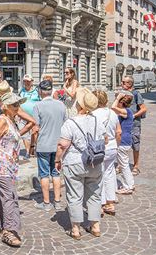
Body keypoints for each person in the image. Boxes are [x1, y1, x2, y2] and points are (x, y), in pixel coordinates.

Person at [0, 91, 34, 248]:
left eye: (18, 104)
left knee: (3, 196)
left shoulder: (11, 121)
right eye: (14, 105)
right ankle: (10, 230)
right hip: (1, 166)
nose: (17, 107)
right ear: (5, 107)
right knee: (10, 197)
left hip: (9, 166)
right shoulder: (2, 121)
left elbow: (31, 122)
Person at [0, 81, 36, 217]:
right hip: (6, 150)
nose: (17, 106)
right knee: (5, 180)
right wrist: (17, 134)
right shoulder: (15, 108)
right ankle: (3, 212)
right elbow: (32, 121)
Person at [55, 87, 105, 239]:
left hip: (75, 161)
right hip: (95, 162)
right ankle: (95, 226)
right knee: (95, 195)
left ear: (80, 106)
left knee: (75, 195)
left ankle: (76, 229)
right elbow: (105, 139)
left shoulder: (71, 123)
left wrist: (58, 159)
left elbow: (63, 145)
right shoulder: (98, 121)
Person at [32, 80, 66, 212]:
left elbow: (35, 128)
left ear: (40, 91)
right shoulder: (61, 105)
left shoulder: (38, 106)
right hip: (57, 145)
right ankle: (57, 201)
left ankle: (46, 203)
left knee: (44, 174)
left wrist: (33, 145)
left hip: (44, 145)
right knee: (56, 173)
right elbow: (65, 125)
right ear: (51, 91)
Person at [92, 90, 121, 216]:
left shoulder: (93, 114)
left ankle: (100, 204)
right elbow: (118, 131)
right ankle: (111, 203)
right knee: (109, 174)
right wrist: (116, 145)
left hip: (99, 147)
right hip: (112, 146)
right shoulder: (112, 113)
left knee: (98, 176)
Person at [120, 75, 147, 175]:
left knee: (135, 145)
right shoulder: (121, 94)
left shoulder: (136, 94)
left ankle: (136, 166)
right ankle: (122, 165)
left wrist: (132, 116)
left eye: (124, 82)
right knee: (122, 145)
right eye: (122, 82)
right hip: (122, 123)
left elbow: (144, 108)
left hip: (134, 124)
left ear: (130, 84)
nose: (121, 84)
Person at [111, 92, 135, 196]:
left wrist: (118, 98)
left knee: (124, 165)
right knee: (124, 164)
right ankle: (130, 184)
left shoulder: (126, 111)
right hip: (126, 141)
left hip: (123, 141)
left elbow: (112, 107)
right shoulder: (127, 111)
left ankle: (128, 187)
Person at [18, 74, 40, 158]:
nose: (26, 83)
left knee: (35, 133)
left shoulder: (37, 91)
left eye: (28, 81)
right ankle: (27, 151)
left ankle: (34, 148)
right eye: (25, 81)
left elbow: (41, 102)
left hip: (34, 116)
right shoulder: (21, 91)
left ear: (32, 82)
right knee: (24, 133)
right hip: (23, 116)